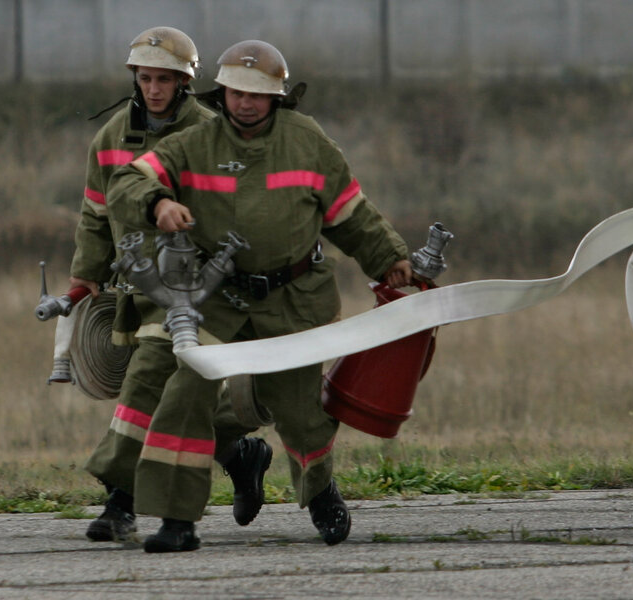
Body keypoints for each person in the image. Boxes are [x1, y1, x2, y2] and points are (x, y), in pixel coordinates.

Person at [107, 40, 415, 552]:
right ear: (221, 92)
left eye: (258, 94)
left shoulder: (307, 141)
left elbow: (350, 213)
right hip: (216, 296)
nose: (246, 103)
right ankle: (177, 520)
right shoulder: (193, 143)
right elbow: (126, 183)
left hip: (296, 295)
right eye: (236, 93)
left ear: (277, 97)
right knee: (186, 394)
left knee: (299, 408)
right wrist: (157, 200)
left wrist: (390, 257)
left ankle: (321, 495)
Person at [66, 26, 274, 542]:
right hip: (136, 286)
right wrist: (84, 275)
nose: (153, 89)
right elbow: (95, 213)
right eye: (145, 78)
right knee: (174, 398)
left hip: (195, 287)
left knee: (149, 385)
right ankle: (239, 454)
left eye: (164, 79)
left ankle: (121, 503)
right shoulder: (111, 137)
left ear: (185, 82)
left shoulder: (211, 131)